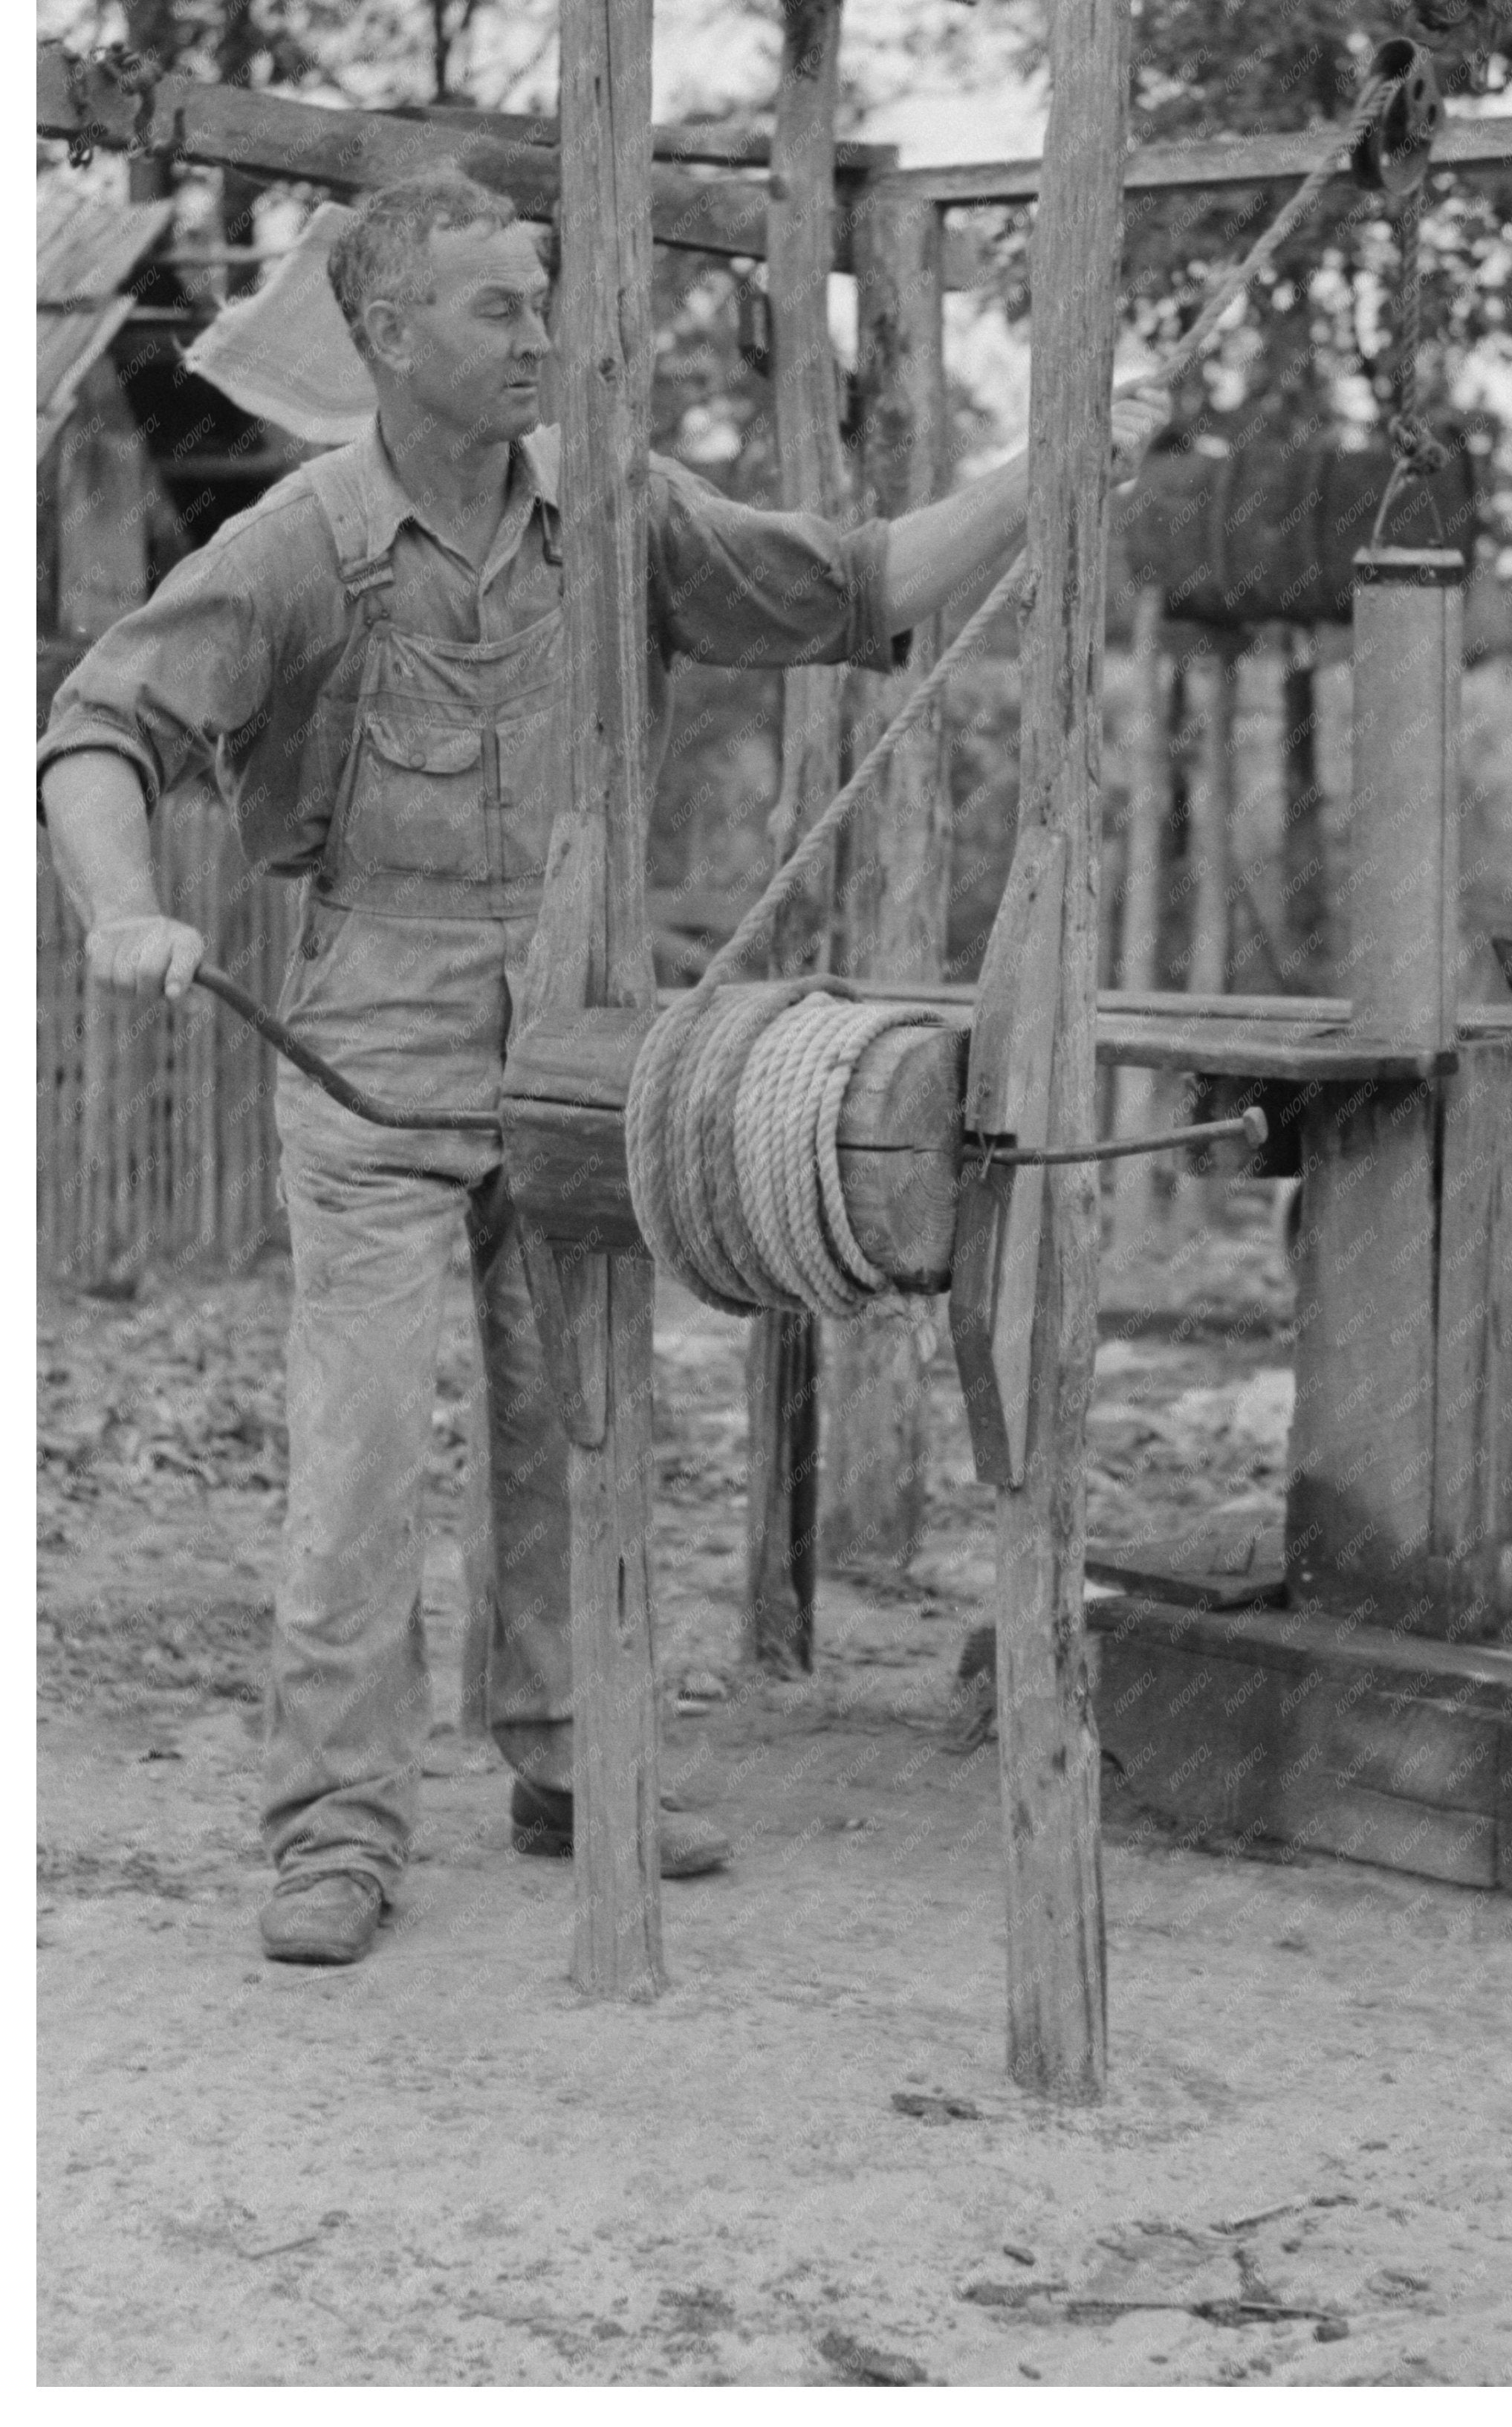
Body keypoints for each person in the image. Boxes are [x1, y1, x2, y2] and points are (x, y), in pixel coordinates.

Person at [39, 170, 1168, 1969]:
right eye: (498, 310)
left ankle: (572, 1757)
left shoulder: (618, 510)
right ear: (390, 336)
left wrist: (1062, 459)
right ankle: (333, 1825)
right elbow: (96, 731)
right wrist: (118, 907)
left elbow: (860, 586)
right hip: (367, 1065)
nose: (540, 340)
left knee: (581, 1425)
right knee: (356, 1464)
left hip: (576, 1051)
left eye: (542, 302)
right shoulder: (300, 547)